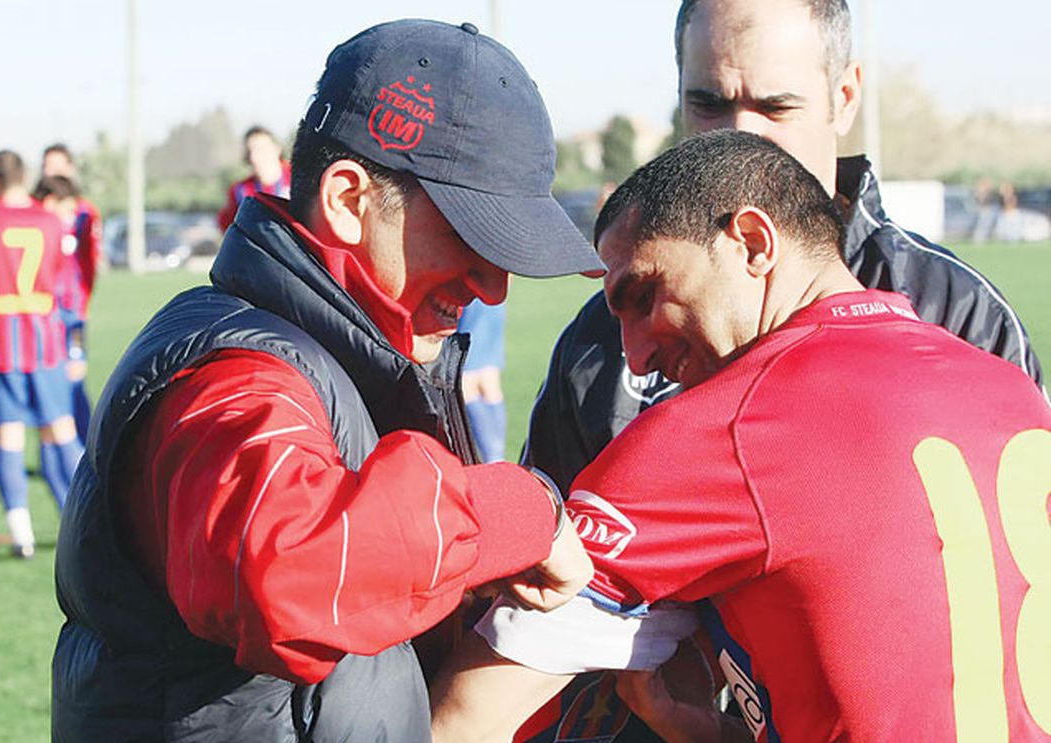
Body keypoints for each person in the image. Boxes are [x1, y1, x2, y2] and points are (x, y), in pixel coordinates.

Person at [52, 19, 603, 741]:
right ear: (349, 200)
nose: (493, 286)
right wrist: (516, 512)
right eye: (474, 234)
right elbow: (288, 570)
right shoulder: (237, 375)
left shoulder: (343, 354)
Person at [519, 2, 1047, 739]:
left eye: (775, 104)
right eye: (708, 103)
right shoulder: (611, 332)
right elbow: (542, 606)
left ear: (844, 96)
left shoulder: (959, 316)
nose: (740, 134)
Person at [0, 150, 80, 560]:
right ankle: (84, 521)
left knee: (8, 437)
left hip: (1, 340)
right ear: (24, 178)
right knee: (61, 433)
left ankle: (21, 534)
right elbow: (64, 282)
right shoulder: (49, 220)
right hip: (46, 339)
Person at [40, 143, 101, 437]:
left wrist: (81, 304)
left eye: (57, 166)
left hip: (71, 311)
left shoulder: (85, 212)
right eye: (46, 167)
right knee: (44, 386)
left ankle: (89, 451)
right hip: (38, 313)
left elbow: (90, 264)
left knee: (74, 379)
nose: (51, 172)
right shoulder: (36, 213)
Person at [458, 298, 507, 462]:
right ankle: (496, 456)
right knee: (489, 383)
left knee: (466, 384)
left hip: (474, 309)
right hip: (491, 307)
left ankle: (492, 456)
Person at [216, 125, 292, 231]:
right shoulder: (239, 191)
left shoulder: (297, 177)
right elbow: (227, 227)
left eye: (261, 150)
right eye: (250, 151)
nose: (255, 157)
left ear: (277, 149)